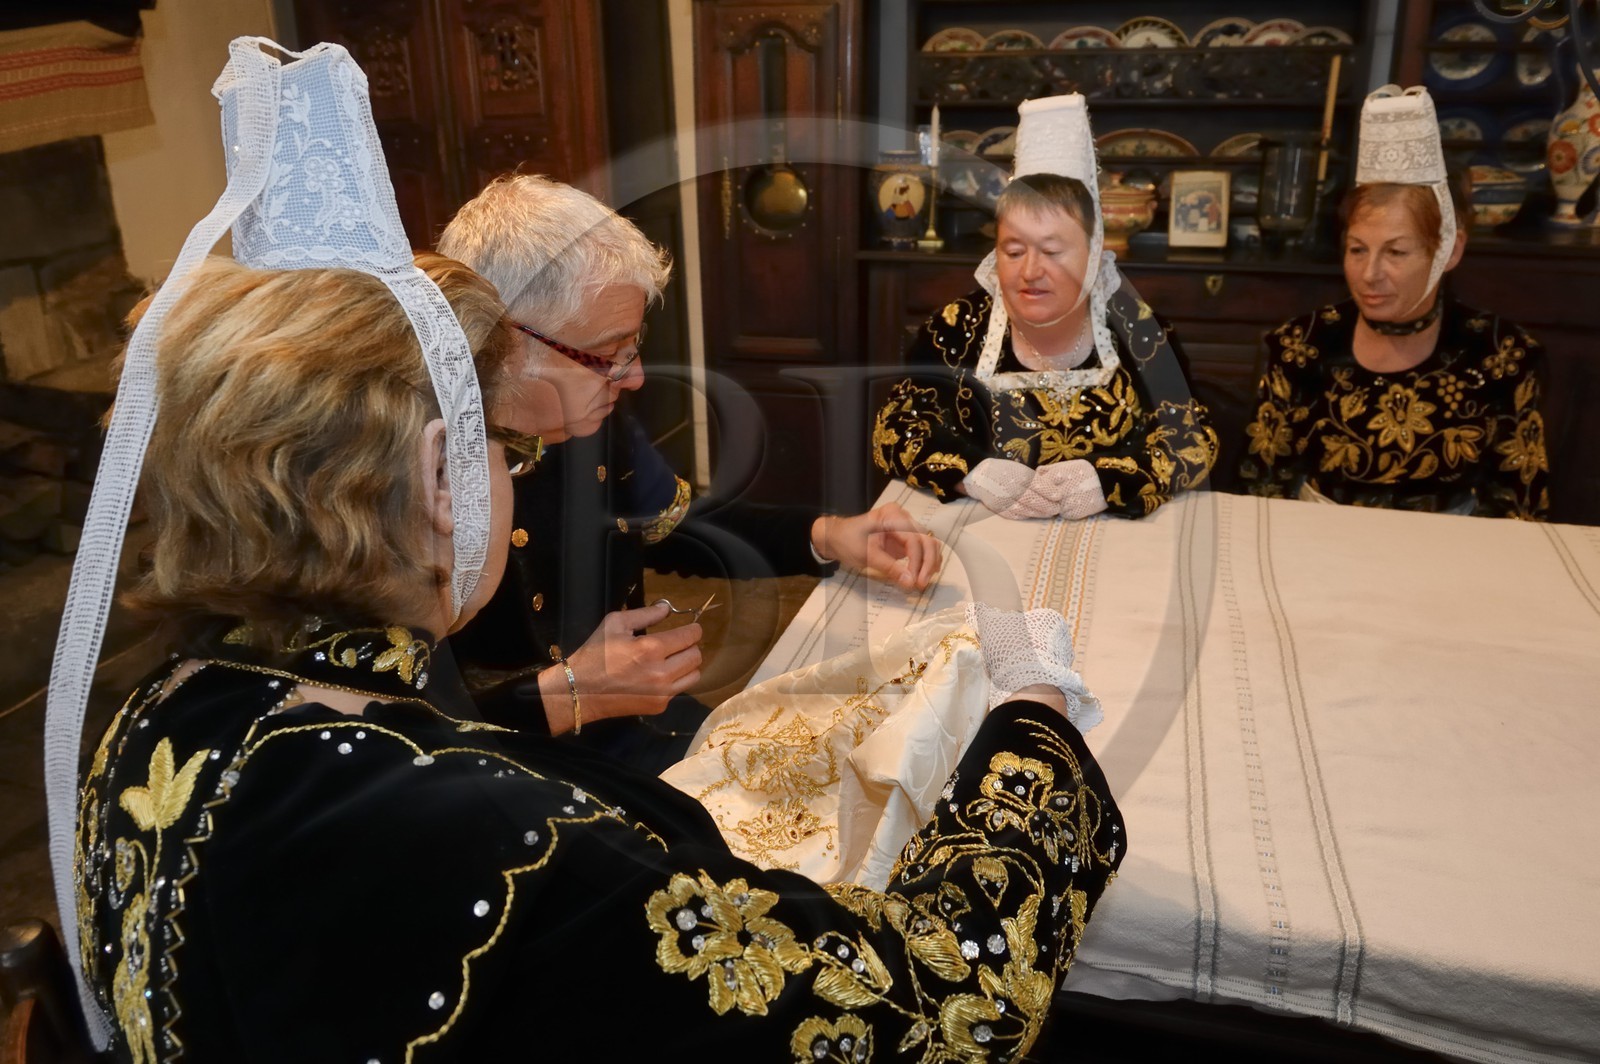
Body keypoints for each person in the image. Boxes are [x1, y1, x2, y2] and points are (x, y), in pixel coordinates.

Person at [66, 44, 1127, 1060]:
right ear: (443, 474)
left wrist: (823, 531)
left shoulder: (148, 717)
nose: (518, 456)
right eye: (493, 441)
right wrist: (1030, 720)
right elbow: (929, 1004)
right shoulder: (510, 833)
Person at [438, 174, 941, 766]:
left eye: (634, 342)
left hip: (637, 724)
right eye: (608, 352)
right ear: (506, 343)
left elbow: (674, 526)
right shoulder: (420, 477)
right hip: (510, 774)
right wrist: (566, 695)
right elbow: (388, 729)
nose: (635, 376)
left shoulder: (592, 420)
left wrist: (827, 534)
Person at [873, 94, 1218, 521]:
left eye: (1053, 251)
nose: (1030, 271)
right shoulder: (954, 330)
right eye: (1013, 251)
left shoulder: (1141, 333)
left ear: (1092, 256)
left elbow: (1192, 438)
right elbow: (896, 428)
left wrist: (1111, 479)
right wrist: (969, 471)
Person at [1240, 86, 1549, 518]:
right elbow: (1260, 487)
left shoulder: (1501, 355)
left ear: (1449, 251)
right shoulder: (1301, 345)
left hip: (1448, 562)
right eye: (1357, 249)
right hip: (1315, 551)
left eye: (1396, 252)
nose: (1370, 274)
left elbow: (1521, 503)